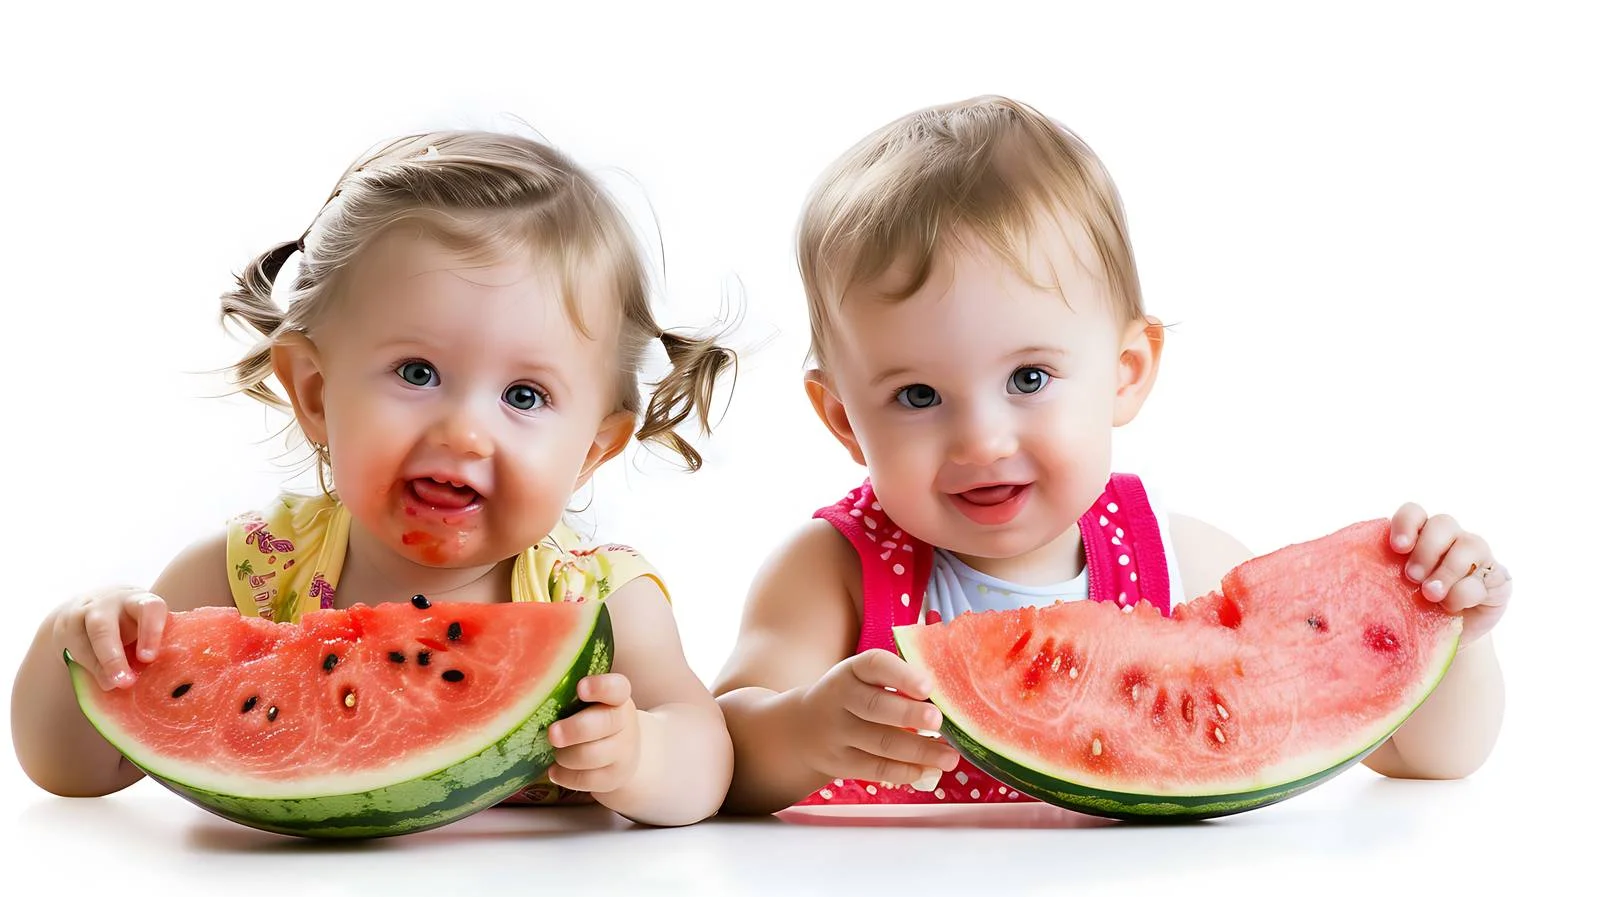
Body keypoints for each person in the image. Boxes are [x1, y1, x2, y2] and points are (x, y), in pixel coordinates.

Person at [712, 95, 1510, 814]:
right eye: (917, 396)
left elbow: (1418, 755)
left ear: (1125, 374)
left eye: (1029, 377)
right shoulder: (833, 572)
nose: (982, 440)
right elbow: (721, 753)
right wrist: (804, 730)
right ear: (843, 419)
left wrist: (1444, 636)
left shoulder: (1174, 555)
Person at [13, 129, 738, 827]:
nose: (463, 431)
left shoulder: (602, 600)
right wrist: (77, 641)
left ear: (591, 449)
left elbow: (707, 762)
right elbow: (75, 768)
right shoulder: (254, 570)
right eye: (417, 373)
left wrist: (641, 755)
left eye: (524, 396)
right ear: (317, 393)